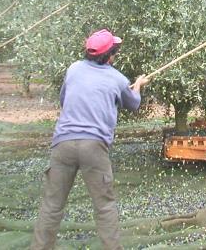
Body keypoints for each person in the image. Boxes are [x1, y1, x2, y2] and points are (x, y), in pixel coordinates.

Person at [32, 29, 149, 250]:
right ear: (110, 56)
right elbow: (133, 104)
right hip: (94, 147)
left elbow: (64, 100)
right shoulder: (117, 78)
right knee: (104, 207)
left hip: (62, 144)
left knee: (51, 205)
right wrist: (138, 86)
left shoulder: (74, 69)